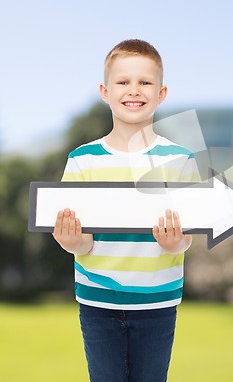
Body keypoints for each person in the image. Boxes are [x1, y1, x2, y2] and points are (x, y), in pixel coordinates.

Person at [52, 39, 199, 382]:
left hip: (157, 303)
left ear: (161, 93)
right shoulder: (82, 160)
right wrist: (71, 242)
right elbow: (82, 241)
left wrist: (176, 243)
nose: (134, 90)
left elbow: (189, 236)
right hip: (97, 303)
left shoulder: (179, 159)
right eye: (123, 82)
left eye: (145, 82)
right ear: (105, 91)